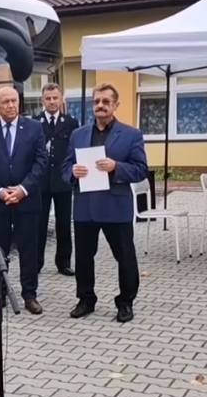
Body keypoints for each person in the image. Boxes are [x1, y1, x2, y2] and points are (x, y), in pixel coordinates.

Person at [62, 82, 148, 323]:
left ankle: (126, 302)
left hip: (115, 206)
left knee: (125, 257)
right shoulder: (78, 134)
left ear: (115, 105)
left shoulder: (131, 135)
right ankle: (85, 299)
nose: (100, 105)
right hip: (85, 206)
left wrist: (116, 167)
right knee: (83, 257)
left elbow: (141, 169)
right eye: (97, 101)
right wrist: (72, 172)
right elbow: (65, 166)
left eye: (106, 102)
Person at [0, 86, 47, 314]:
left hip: (27, 200)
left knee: (29, 250)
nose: (11, 105)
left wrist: (23, 189)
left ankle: (30, 295)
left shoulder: (34, 128)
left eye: (14, 101)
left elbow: (41, 162)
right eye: (5, 102)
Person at [34, 82, 78, 277]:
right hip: (41, 181)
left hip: (62, 180)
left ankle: (64, 262)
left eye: (55, 98)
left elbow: (73, 151)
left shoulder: (71, 123)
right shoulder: (35, 123)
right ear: (42, 101)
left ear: (61, 99)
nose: (52, 102)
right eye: (48, 98)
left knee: (63, 224)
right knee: (39, 225)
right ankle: (36, 262)